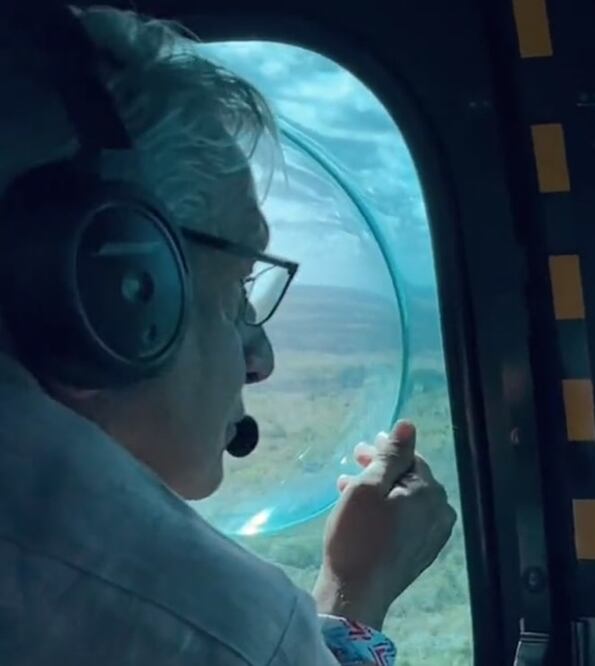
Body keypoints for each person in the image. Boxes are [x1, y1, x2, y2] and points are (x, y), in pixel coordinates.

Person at [0, 4, 457, 665]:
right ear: (116, 294)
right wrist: (357, 593)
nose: (260, 358)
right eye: (238, 289)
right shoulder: (197, 623)